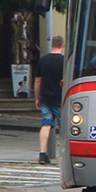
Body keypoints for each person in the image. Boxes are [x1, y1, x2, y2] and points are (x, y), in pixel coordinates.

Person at [34, 36, 64, 165]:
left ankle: (42, 154)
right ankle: (63, 154)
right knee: (64, 127)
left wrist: (37, 98)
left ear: (52, 45)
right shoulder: (64, 61)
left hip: (46, 97)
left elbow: (37, 80)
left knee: (46, 124)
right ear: (62, 45)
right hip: (61, 98)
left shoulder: (43, 60)